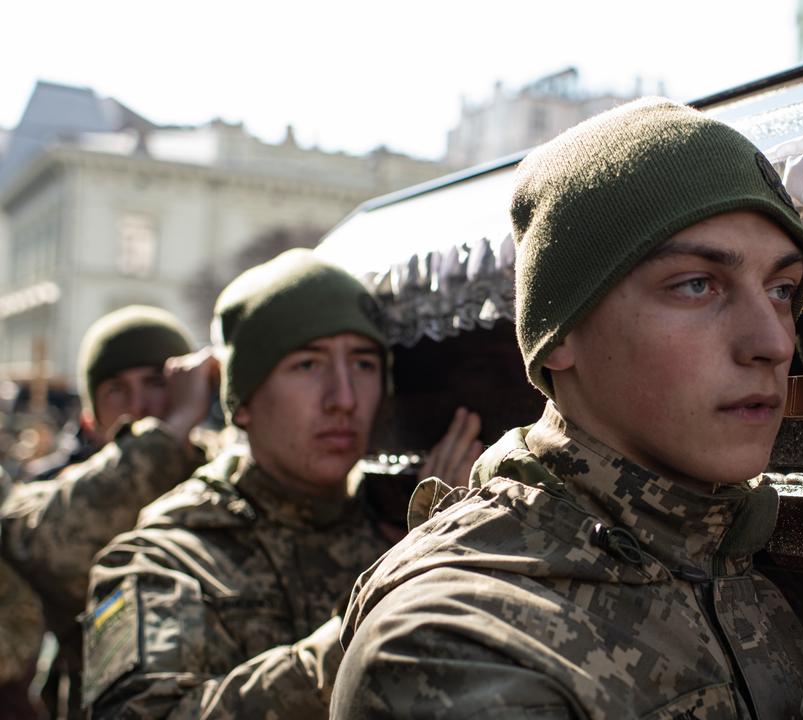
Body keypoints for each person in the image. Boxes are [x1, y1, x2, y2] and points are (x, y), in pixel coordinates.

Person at [333, 98, 803, 719]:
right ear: (559, 337)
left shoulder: (802, 576)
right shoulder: (454, 644)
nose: (773, 341)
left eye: (784, 289)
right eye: (696, 284)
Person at [81, 249, 481, 719]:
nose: (344, 399)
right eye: (307, 365)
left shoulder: (398, 521)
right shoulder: (169, 556)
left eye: (364, 365)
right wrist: (403, 596)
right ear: (243, 402)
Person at [0, 306, 216, 718]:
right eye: (117, 389)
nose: (139, 405)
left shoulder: (227, 477)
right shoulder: (49, 499)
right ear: (89, 418)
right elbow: (48, 545)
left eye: (157, 382)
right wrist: (169, 432)